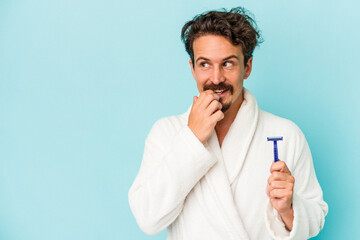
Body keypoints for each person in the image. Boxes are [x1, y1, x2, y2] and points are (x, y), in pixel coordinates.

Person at [129, 7, 328, 240]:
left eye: (228, 64)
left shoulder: (285, 134)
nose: (216, 78)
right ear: (192, 69)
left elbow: (316, 218)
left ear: (248, 67)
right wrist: (191, 139)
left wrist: (289, 209)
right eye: (205, 64)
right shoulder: (166, 133)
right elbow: (147, 219)